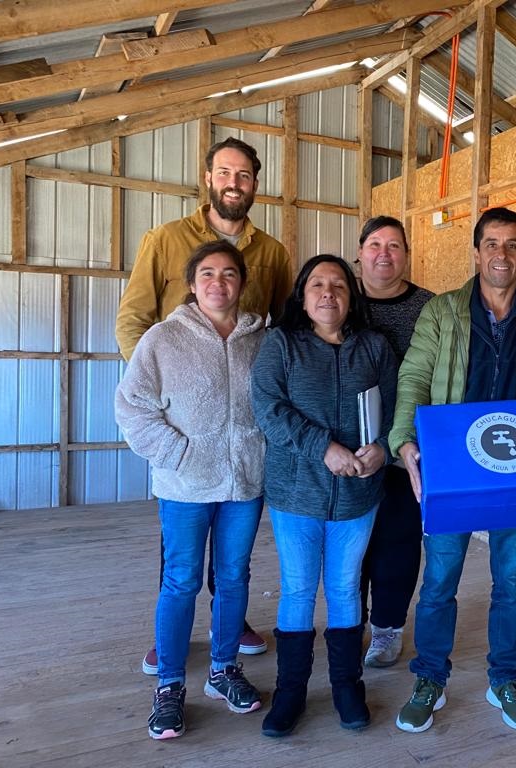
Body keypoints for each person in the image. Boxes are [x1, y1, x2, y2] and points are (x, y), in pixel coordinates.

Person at [389, 207, 516, 734]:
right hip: (452, 473)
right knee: (439, 581)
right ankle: (430, 678)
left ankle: (504, 677)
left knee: (512, 582)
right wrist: (405, 443)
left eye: (511, 245)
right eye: (491, 244)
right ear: (476, 251)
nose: (500, 254)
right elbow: (414, 378)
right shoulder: (441, 313)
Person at [116, 137, 292, 671]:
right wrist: (162, 380)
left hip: (243, 447)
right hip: (185, 436)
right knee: (181, 563)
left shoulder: (273, 253)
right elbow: (133, 319)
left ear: (254, 184)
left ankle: (227, 631)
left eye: (244, 174)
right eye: (224, 173)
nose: (233, 183)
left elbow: (284, 332)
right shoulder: (165, 239)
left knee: (234, 566)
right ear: (209, 178)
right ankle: (173, 642)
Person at [115, 240, 267, 740]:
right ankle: (170, 685)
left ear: (242, 282)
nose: (218, 283)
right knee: (181, 581)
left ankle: (223, 670)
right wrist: (175, 453)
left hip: (244, 484)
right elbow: (131, 406)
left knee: (234, 577)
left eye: (229, 273)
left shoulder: (261, 339)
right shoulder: (162, 338)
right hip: (184, 486)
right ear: (191, 283)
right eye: (207, 274)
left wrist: (262, 455)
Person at [250, 254, 398, 737]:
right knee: (297, 588)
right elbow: (268, 408)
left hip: (358, 495)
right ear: (302, 295)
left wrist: (383, 448)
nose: (328, 292)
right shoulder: (281, 344)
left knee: (344, 588)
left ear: (351, 297)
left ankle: (346, 686)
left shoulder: (374, 347)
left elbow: (400, 406)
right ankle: (290, 691)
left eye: (338, 284)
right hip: (296, 494)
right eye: (317, 284)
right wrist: (324, 447)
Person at [355, 216, 434, 669]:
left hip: (407, 451)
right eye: (375, 244)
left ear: (406, 254)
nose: (384, 253)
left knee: (398, 543)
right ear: (360, 252)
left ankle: (387, 628)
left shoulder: (429, 307)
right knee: (351, 544)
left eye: (394, 246)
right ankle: (350, 623)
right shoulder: (340, 299)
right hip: (351, 450)